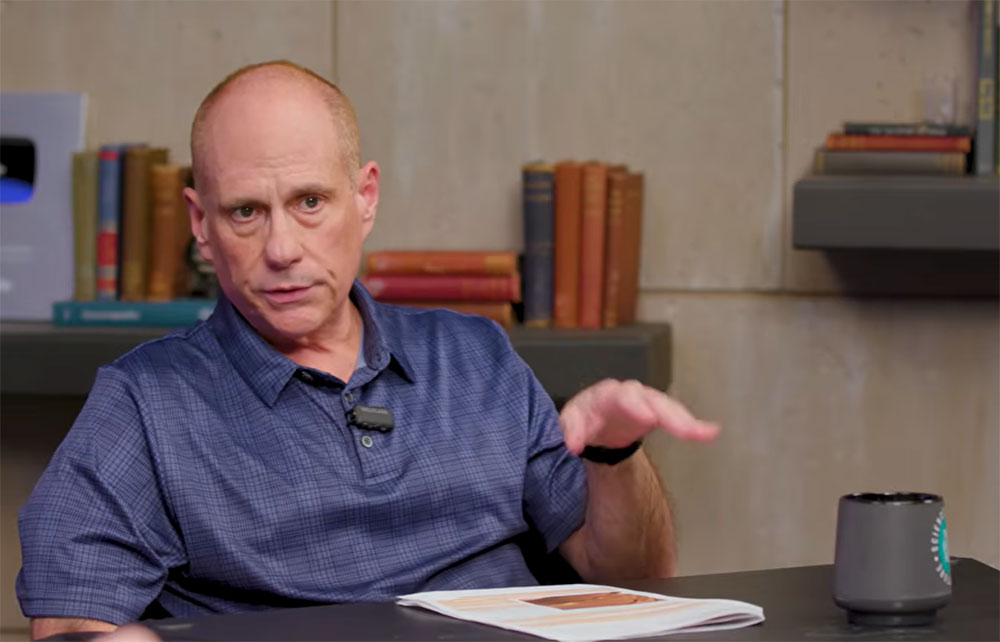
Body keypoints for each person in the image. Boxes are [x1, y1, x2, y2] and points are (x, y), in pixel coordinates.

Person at [17, 61, 719, 640]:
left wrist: (614, 455)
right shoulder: (144, 402)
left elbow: (631, 579)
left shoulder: (475, 356)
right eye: (245, 212)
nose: (282, 249)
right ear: (201, 224)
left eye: (310, 202)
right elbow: (71, 622)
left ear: (366, 197)